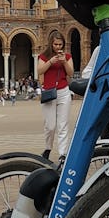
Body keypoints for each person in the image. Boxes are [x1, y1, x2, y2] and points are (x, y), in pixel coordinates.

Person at [38, 31, 74, 159]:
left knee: (63, 124)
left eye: (60, 44)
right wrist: (50, 62)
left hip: (63, 91)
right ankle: (48, 148)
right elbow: (40, 70)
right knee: (50, 125)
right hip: (49, 92)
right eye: (56, 44)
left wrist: (64, 62)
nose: (58, 47)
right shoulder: (43, 56)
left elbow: (70, 73)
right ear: (51, 44)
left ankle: (62, 153)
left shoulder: (68, 56)